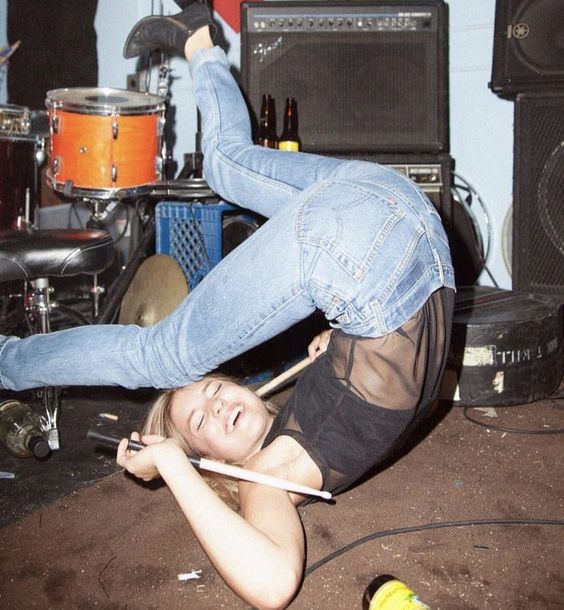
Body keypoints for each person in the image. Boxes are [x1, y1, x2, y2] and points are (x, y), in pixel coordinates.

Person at [0, 2, 455, 607]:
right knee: (167, 346)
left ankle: (197, 41)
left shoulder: (279, 452)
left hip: (382, 230)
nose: (218, 404)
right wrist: (177, 465)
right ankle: (198, 40)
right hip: (403, 225)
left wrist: (176, 459)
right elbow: (271, 587)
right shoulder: (267, 482)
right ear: (214, 467)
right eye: (202, 425)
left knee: (218, 185)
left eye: (211, 393)